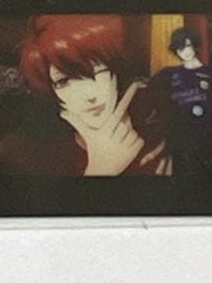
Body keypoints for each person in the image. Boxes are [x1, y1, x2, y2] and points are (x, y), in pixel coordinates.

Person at [17, 15, 172, 176]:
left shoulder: (156, 119)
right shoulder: (47, 153)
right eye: (63, 82)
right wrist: (100, 169)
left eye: (99, 73)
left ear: (115, 74)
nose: (89, 95)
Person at [150, 27, 212, 180]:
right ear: (176, 51)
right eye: (180, 48)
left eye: (188, 45)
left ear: (194, 45)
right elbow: (145, 88)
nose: (185, 51)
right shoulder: (168, 74)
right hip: (179, 145)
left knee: (208, 186)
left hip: (206, 143)